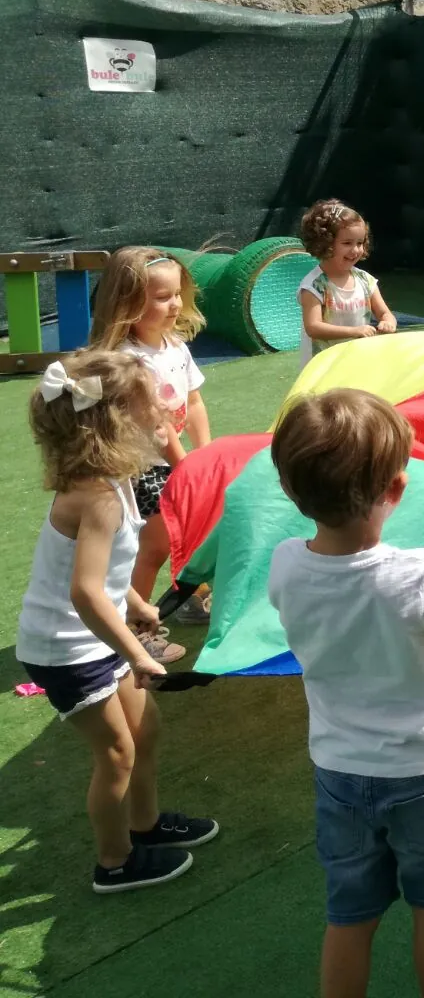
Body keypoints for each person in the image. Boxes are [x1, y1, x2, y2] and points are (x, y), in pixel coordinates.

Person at [267, 389, 424, 998]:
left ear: (292, 493)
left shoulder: (286, 564)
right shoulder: (423, 571)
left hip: (340, 770)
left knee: (351, 913)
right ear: (395, 490)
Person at [15, 350, 219, 894]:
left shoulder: (116, 480)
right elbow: (83, 591)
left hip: (95, 633)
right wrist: (136, 648)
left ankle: (144, 826)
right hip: (65, 647)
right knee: (117, 753)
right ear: (115, 422)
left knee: (145, 729)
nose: (163, 405)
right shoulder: (98, 496)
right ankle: (114, 862)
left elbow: (96, 575)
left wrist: (133, 599)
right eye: (149, 400)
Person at [90, 246, 213, 650]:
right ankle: (135, 629)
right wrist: (185, 466)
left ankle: (192, 598)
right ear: (126, 303)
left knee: (194, 532)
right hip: (142, 465)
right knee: (157, 546)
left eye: (177, 293)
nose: (175, 304)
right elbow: (157, 424)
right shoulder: (129, 359)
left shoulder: (174, 347)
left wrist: (206, 455)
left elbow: (193, 403)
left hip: (172, 462)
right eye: (162, 297)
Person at [298, 199, 397, 365]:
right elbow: (313, 327)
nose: (356, 250)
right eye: (347, 243)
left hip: (355, 361)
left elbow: (385, 313)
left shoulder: (365, 281)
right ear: (325, 243)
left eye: (360, 243)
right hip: (323, 365)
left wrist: (388, 323)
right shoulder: (314, 286)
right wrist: (354, 331)